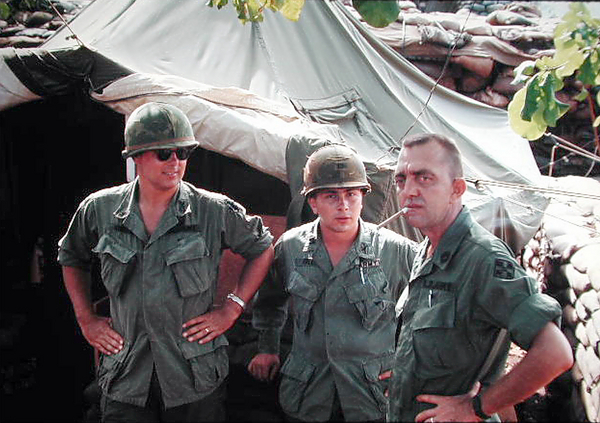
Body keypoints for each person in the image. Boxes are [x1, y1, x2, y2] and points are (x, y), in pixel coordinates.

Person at [57, 102, 274, 422]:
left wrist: (232, 308)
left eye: (183, 153)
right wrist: (85, 317)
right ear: (136, 156)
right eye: (164, 153)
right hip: (127, 375)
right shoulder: (100, 210)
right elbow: (71, 256)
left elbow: (262, 248)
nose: (175, 162)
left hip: (194, 376)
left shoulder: (212, 211)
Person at [383, 133, 573, 422]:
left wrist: (475, 408)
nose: (408, 191)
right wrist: (405, 370)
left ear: (456, 189)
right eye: (401, 180)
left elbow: (555, 353)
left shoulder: (482, 258)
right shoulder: (427, 251)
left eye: (424, 178)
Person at [247, 144, 417, 422]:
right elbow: (269, 300)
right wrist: (267, 347)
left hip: (372, 393)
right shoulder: (290, 247)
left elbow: (430, 311)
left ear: (363, 197)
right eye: (331, 196)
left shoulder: (397, 251)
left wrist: (411, 363)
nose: (344, 206)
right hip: (309, 391)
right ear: (313, 203)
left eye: (352, 194)